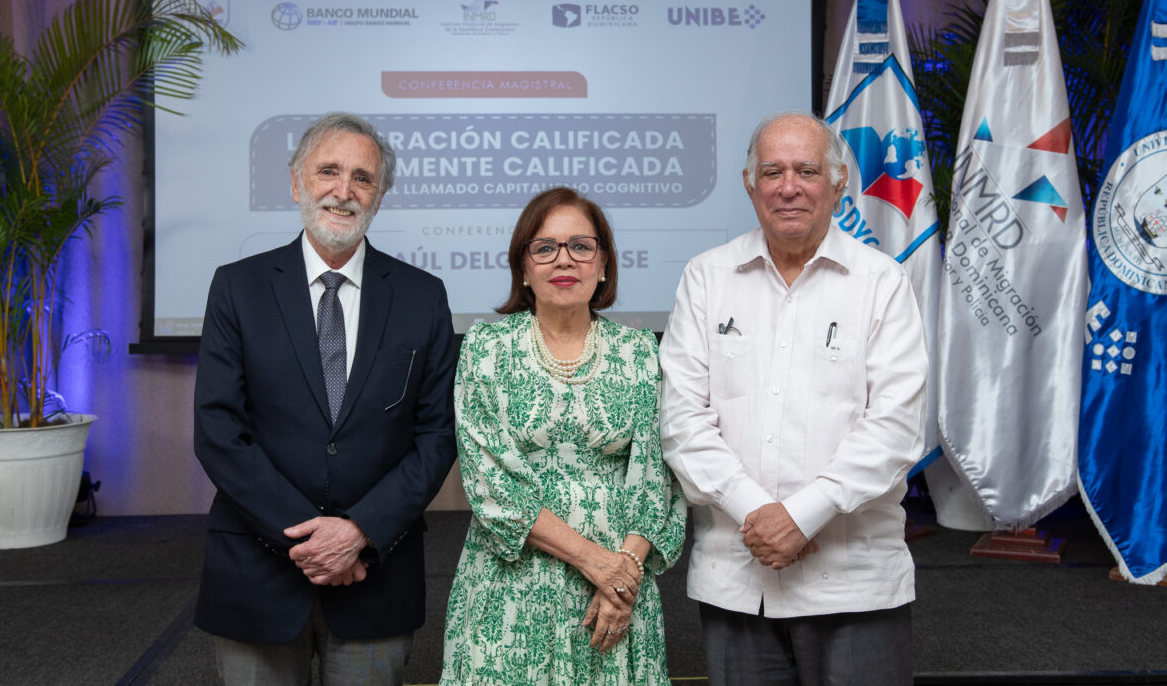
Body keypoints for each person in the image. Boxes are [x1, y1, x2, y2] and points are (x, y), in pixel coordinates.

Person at [659, 112, 927, 686]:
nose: (788, 187)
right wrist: (762, 517)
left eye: (806, 170)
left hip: (853, 583)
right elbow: (682, 422)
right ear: (748, 183)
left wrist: (802, 518)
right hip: (738, 578)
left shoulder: (882, 282)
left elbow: (896, 428)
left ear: (838, 181)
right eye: (772, 172)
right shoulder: (706, 278)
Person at [193, 112, 457, 685]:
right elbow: (218, 431)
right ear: (296, 183)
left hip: (375, 575)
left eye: (363, 178)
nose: (344, 190)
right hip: (257, 571)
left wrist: (357, 533)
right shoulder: (237, 287)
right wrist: (315, 539)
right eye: (328, 171)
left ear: (380, 195)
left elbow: (437, 438)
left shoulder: (423, 296)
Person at [440, 187, 687, 685]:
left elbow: (657, 477)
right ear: (523, 268)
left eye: (580, 246)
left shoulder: (641, 351)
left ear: (603, 264)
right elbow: (491, 484)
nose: (564, 260)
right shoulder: (487, 349)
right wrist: (596, 562)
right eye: (545, 248)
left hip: (615, 597)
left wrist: (623, 575)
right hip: (510, 593)